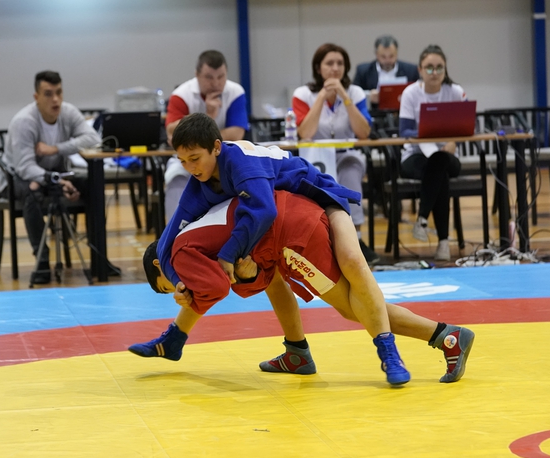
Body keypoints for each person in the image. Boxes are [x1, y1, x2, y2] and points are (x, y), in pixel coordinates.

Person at [155, 112, 409, 384]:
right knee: (290, 287)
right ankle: (297, 351)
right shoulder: (200, 182)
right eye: (182, 161)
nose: (190, 168)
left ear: (216, 147)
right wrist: (177, 280)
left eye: (194, 158)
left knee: (353, 264)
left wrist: (227, 254)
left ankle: (391, 352)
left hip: (323, 198)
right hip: (294, 219)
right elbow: (166, 240)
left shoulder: (240, 160)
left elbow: (264, 210)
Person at [129, 190, 473, 384]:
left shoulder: (180, 253)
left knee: (352, 306)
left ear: (161, 264)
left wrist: (235, 280)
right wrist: (247, 276)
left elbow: (218, 287)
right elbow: (253, 273)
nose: (180, 290)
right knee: (276, 284)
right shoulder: (195, 223)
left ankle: (446, 336)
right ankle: (297, 351)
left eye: (170, 287)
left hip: (293, 234)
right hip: (296, 215)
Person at [0, 70, 100, 284]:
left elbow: (93, 139)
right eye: (48, 94)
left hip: (52, 173)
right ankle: (42, 261)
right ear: (36, 97)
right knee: (32, 189)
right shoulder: (24, 121)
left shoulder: (68, 112)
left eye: (59, 92)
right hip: (15, 178)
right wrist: (59, 181)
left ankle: (99, 257)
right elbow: (25, 168)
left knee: (92, 185)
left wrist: (57, 149)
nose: (55, 99)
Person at [292, 43, 379, 265]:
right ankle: (320, 241)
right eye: (329, 63)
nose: (335, 68)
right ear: (318, 67)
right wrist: (322, 96)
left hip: (346, 153)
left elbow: (364, 133)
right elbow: (305, 133)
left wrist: (344, 96)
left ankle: (356, 238)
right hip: (315, 156)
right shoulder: (303, 94)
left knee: (351, 167)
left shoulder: (355, 92)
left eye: (340, 63)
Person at [398, 45, 466, 262]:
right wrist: (427, 132)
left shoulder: (455, 91)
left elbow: (466, 126)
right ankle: (443, 242)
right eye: (429, 68)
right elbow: (404, 130)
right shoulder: (411, 93)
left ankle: (422, 218)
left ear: (445, 69)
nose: (434, 72)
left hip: (448, 155)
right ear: (420, 69)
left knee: (440, 161)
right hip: (416, 155)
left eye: (439, 68)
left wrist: (453, 141)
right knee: (439, 172)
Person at [163, 50, 249, 219]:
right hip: (189, 158)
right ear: (197, 75)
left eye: (221, 77)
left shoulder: (235, 91)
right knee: (175, 177)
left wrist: (196, 138)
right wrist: (207, 116)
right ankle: (176, 228)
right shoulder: (181, 94)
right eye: (209, 77)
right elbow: (171, 130)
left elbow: (237, 133)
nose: (216, 83)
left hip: (226, 156)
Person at [353, 35, 419, 106]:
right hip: (374, 111)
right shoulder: (363, 71)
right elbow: (353, 95)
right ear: (376, 54)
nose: (387, 60)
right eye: (383, 56)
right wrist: (368, 97)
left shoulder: (411, 71)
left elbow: (418, 94)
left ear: (396, 53)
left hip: (401, 110)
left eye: (391, 56)